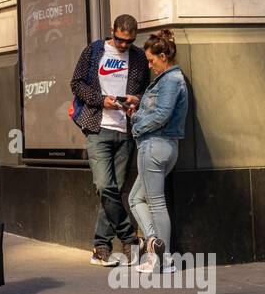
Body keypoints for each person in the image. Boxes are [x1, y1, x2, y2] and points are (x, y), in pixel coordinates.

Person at [69, 14, 151, 268]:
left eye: (129, 41)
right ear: (111, 31)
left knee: (115, 189)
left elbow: (145, 89)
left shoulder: (138, 57)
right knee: (105, 185)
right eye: (120, 39)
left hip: (125, 129)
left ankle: (101, 246)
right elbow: (76, 83)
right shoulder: (94, 51)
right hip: (98, 127)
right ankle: (129, 237)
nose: (124, 45)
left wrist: (135, 100)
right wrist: (99, 99)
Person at [128, 29, 189, 275]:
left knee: (155, 203)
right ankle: (158, 250)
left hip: (154, 145)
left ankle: (162, 259)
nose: (150, 65)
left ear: (164, 56)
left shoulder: (171, 80)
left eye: (152, 60)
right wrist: (140, 110)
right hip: (164, 145)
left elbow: (162, 115)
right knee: (136, 199)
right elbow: (158, 111)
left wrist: (137, 125)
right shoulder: (169, 80)